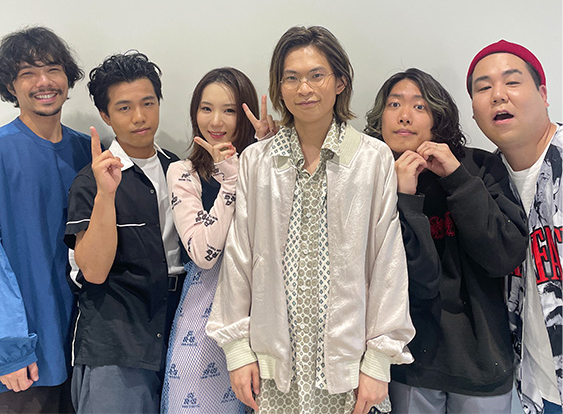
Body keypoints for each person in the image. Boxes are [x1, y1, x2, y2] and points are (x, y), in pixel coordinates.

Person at [207, 26, 415, 414]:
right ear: (280, 87)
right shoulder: (258, 160)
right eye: (291, 78)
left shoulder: (372, 159)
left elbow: (387, 263)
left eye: (316, 75)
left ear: (340, 82)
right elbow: (239, 258)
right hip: (274, 369)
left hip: (348, 368)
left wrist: (379, 360)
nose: (304, 88)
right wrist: (236, 350)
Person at [365, 68, 527, 413]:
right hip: (410, 364)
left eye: (419, 106)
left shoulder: (479, 166)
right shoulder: (370, 178)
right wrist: (405, 199)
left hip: (484, 366)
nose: (404, 115)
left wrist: (457, 179)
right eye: (394, 104)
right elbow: (416, 281)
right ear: (380, 118)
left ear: (438, 118)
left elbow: (504, 255)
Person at [64, 52, 183, 413]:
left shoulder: (179, 169)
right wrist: (106, 194)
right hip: (116, 342)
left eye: (148, 103)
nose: (140, 117)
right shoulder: (91, 181)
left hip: (179, 334)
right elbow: (93, 271)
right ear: (105, 115)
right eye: (124, 107)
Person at [467, 40, 562, 414]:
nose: (497, 95)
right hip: (534, 391)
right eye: (483, 87)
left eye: (512, 82)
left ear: (543, 94)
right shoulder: (482, 183)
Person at [0, 26, 91, 413]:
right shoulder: (3, 151)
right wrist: (10, 347)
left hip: (85, 347)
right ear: (11, 85)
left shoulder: (87, 151)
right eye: (28, 73)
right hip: (26, 356)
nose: (44, 82)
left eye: (53, 69)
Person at [161, 67, 259, 413]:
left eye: (229, 110)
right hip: (205, 313)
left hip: (265, 311)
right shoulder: (183, 172)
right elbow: (204, 253)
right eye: (206, 108)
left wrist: (267, 151)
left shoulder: (264, 168)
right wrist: (230, 182)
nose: (216, 121)